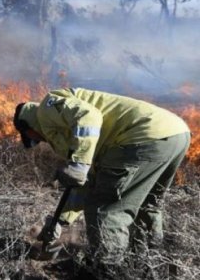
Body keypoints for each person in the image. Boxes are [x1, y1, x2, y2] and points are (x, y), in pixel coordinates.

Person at [13, 87, 190, 266]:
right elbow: (87, 183)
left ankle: (108, 273)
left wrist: (79, 164)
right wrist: (60, 221)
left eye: (32, 138)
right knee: (146, 205)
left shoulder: (47, 107)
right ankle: (149, 266)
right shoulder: (73, 133)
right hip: (175, 134)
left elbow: (88, 116)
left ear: (27, 125)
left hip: (141, 137)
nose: (39, 141)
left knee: (105, 209)